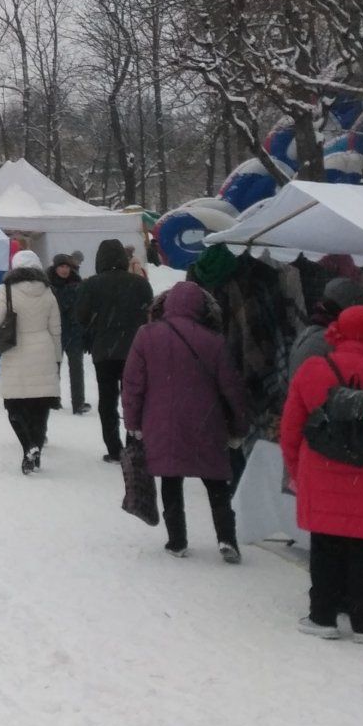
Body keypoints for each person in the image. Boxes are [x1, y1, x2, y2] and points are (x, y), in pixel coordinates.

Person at [281, 304, 363, 641]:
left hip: (320, 472)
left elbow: (291, 428)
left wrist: (297, 468)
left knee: (324, 548)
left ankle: (322, 616)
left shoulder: (312, 370)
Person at [122, 281, 247, 560]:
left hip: (161, 422)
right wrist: (239, 426)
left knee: (171, 478)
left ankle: (177, 540)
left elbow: (132, 384)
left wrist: (133, 423)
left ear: (165, 304)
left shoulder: (146, 336)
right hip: (206, 421)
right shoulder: (213, 341)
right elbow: (232, 388)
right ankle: (227, 539)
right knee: (216, 482)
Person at [0, 250, 63, 474]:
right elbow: (56, 329)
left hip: (15, 350)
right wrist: (57, 359)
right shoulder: (48, 291)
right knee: (39, 407)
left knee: (14, 405)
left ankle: (29, 446)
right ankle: (36, 448)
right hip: (44, 350)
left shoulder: (5, 289)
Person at [75, 239, 154, 462]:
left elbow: (80, 316)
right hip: (135, 350)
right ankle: (134, 442)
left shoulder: (91, 285)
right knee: (135, 397)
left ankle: (113, 447)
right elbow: (150, 314)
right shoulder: (139, 284)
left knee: (107, 399)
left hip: (104, 350)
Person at [49, 253, 91, 415]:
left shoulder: (77, 283)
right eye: (61, 266)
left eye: (67, 266)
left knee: (76, 367)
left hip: (74, 330)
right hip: (56, 330)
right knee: (54, 367)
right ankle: (53, 399)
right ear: (56, 267)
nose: (65, 270)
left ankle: (78, 402)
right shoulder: (49, 284)